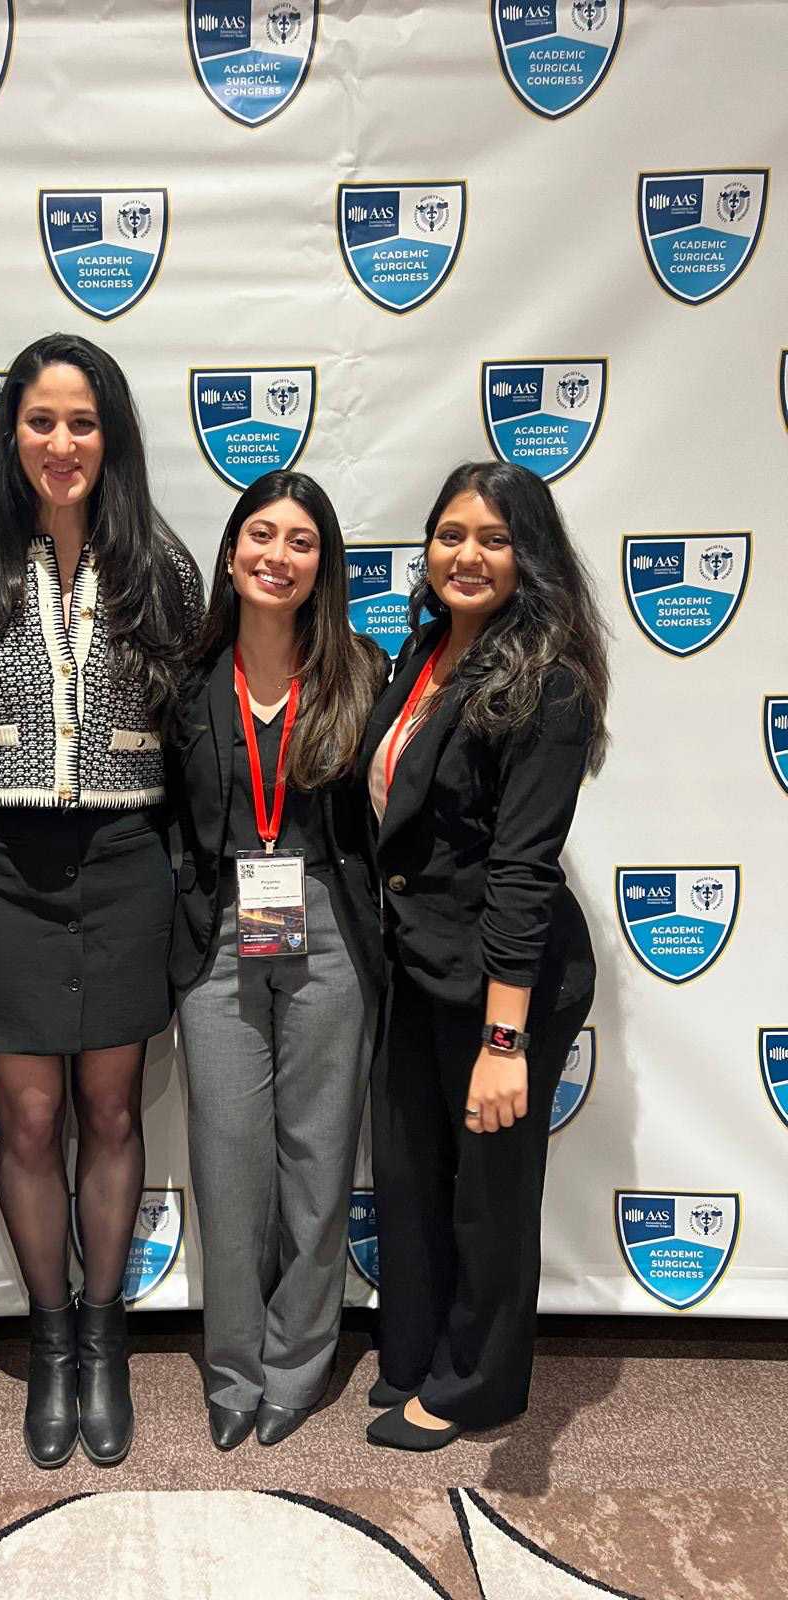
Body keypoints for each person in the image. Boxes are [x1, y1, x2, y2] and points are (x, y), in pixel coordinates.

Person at [0, 332, 204, 1469]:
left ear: (113, 435)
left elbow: (189, 737)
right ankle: (48, 1335)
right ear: (10, 433)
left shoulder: (162, 568)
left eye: (83, 422)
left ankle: (105, 1336)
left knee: (116, 1114)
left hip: (125, 858)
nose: (62, 442)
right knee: (29, 1118)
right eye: (42, 420)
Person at [361, 460, 608, 1451]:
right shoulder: (421, 653)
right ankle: (420, 1355)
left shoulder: (549, 680)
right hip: (418, 964)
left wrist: (504, 1037)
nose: (468, 554)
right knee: (416, 1175)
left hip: (507, 982)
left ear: (529, 557)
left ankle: (482, 1384)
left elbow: (521, 869)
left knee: (490, 1194)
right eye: (452, 533)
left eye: (495, 538)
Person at [166, 470, 387, 1451]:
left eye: (302, 541)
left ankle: (298, 1362)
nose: (279, 554)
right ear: (230, 552)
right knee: (229, 1154)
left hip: (330, 932)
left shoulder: (365, 672)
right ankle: (233, 1366)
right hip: (221, 937)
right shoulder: (185, 682)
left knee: (318, 1154)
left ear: (323, 565)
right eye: (263, 534)